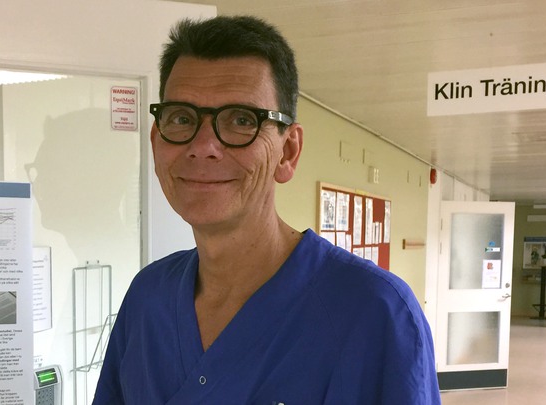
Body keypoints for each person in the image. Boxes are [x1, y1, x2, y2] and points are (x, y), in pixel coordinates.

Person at [93, 15, 441, 404]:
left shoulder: (376, 315)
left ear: (287, 152)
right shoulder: (147, 299)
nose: (203, 145)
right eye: (181, 118)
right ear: (157, 142)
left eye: (241, 120)